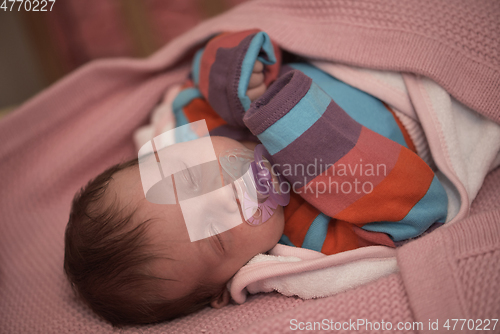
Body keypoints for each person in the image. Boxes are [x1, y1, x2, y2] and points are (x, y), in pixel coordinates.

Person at [64, 30, 448, 325]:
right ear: (228, 286)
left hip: (364, 47)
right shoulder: (312, 238)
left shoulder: (205, 119)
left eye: (187, 178)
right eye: (217, 236)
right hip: (419, 104)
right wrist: (293, 128)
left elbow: (213, 58)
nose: (225, 194)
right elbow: (418, 209)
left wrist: (240, 81)